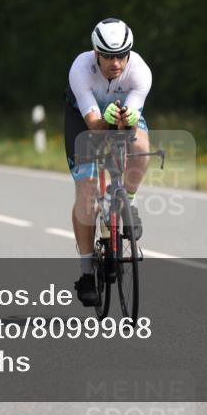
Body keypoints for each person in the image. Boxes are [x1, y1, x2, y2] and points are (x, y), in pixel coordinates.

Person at [65, 18, 153, 306]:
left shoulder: (140, 71)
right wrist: (109, 121)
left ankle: (128, 199)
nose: (116, 63)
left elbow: (130, 128)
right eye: (108, 56)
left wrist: (125, 123)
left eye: (121, 55)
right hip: (84, 120)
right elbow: (94, 125)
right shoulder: (81, 69)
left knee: (141, 145)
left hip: (121, 115)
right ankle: (87, 271)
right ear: (95, 53)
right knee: (87, 193)